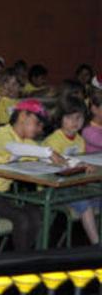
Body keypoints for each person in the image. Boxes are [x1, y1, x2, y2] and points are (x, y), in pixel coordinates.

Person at [0, 99, 66, 252]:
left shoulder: (27, 143)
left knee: (35, 213)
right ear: (23, 116)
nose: (39, 129)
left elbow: (49, 157)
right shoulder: (3, 134)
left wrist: (76, 164)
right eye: (37, 123)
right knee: (22, 218)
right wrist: (48, 152)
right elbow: (15, 148)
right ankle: (20, 262)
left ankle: (29, 255)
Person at [43, 95, 98, 244]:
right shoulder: (54, 140)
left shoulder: (79, 139)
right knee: (85, 204)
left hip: (75, 186)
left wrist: (85, 165)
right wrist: (77, 165)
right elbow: (52, 168)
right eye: (69, 117)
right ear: (60, 118)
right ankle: (97, 246)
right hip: (54, 188)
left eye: (79, 117)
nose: (75, 122)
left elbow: (78, 162)